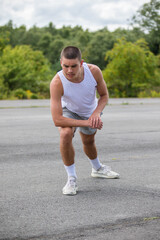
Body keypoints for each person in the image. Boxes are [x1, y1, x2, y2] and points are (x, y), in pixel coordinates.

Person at [50, 46, 119, 196]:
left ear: (81, 63)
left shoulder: (93, 71)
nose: (69, 70)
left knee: (88, 141)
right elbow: (57, 119)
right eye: (65, 66)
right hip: (70, 111)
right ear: (61, 62)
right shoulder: (57, 82)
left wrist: (95, 114)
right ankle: (71, 178)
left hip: (90, 111)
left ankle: (97, 169)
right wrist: (86, 123)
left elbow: (104, 95)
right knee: (65, 134)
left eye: (73, 66)